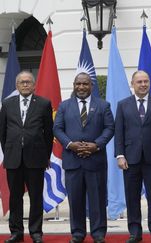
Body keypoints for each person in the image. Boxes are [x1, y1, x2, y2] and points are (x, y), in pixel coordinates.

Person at [53, 72, 114, 243]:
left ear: (91, 86)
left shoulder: (103, 106)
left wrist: (96, 145)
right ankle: (78, 233)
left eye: (85, 84)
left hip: (95, 161)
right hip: (73, 160)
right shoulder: (64, 106)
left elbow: (109, 128)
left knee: (98, 200)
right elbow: (57, 129)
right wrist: (70, 144)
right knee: (75, 200)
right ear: (74, 85)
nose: (81, 87)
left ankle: (98, 233)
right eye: (78, 84)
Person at [115, 70, 151, 243]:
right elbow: (119, 133)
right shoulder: (123, 105)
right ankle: (134, 233)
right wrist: (120, 155)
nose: (143, 84)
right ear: (133, 84)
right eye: (139, 82)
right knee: (132, 197)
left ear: (150, 83)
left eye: (146, 81)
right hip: (130, 159)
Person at [0, 71, 53, 243]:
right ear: (17, 85)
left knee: (36, 197)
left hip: (36, 158)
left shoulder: (44, 104)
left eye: (28, 82)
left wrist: (45, 156)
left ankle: (36, 232)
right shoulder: (7, 104)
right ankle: (16, 233)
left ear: (34, 85)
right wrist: (9, 152)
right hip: (13, 158)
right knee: (15, 197)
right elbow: (3, 133)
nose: (25, 85)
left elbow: (48, 133)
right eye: (22, 82)